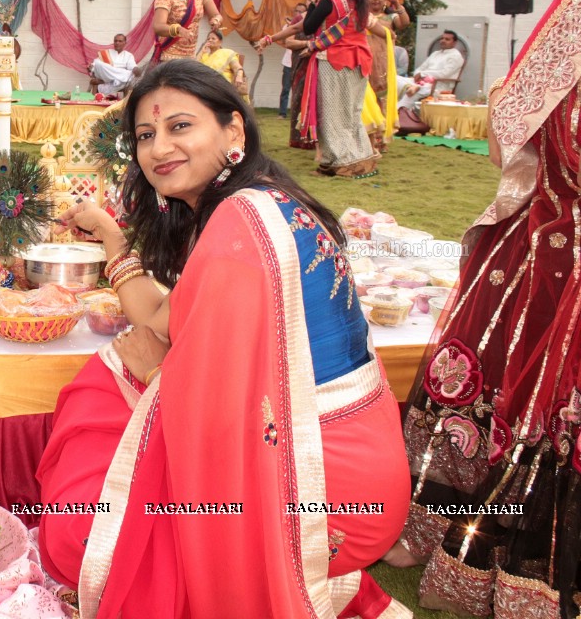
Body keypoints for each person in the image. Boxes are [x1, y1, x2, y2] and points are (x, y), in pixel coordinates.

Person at [39, 60, 411, 618]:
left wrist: (155, 376)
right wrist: (114, 237)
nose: (159, 147)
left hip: (323, 489)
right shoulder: (257, 201)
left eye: (180, 126)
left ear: (233, 131)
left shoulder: (240, 225)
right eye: (146, 135)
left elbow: (198, 378)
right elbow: (162, 319)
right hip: (357, 463)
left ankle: (294, 568)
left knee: (85, 534)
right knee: (118, 373)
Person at [388, 0, 581, 619]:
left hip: (547, 254)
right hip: (548, 259)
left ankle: (444, 529)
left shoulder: (566, 34)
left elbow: (508, 132)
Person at [257, 0, 376, 178]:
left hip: (335, 60)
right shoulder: (359, 2)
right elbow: (299, 26)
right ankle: (360, 158)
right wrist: (272, 38)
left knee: (331, 113)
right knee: (352, 113)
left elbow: (309, 26)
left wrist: (313, 3)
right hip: (360, 62)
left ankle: (334, 163)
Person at [398, 31, 464, 94]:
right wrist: (416, 75)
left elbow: (444, 74)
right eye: (442, 38)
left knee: (411, 89)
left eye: (447, 39)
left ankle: (413, 89)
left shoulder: (456, 56)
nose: (443, 41)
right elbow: (421, 68)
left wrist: (422, 74)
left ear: (454, 43)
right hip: (422, 82)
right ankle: (411, 89)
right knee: (394, 78)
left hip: (438, 85)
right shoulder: (435, 53)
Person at [278, 3, 307, 119]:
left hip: (302, 61)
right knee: (285, 88)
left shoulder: (309, 25)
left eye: (302, 12)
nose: (299, 14)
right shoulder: (287, 27)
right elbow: (287, 42)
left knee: (301, 89)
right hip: (288, 63)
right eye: (297, 11)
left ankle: (299, 114)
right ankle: (282, 113)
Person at [197, 29, 246, 98]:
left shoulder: (227, 53)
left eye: (213, 38)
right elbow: (195, 68)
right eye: (208, 39)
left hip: (223, 88)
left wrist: (239, 76)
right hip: (206, 87)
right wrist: (202, 51)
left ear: (220, 42)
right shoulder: (205, 56)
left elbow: (237, 67)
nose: (210, 40)